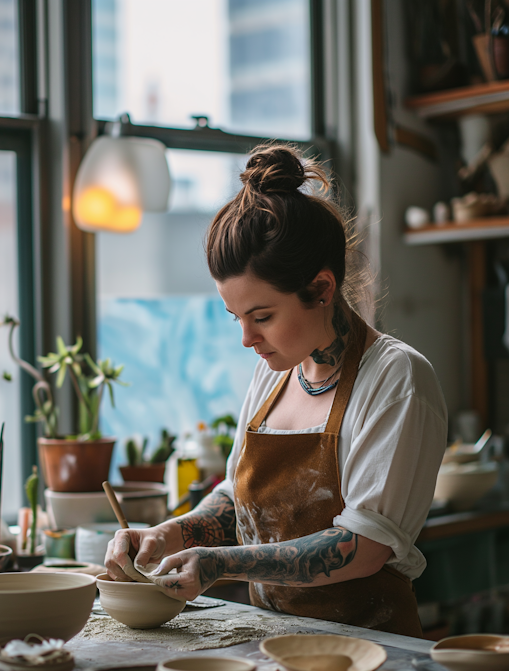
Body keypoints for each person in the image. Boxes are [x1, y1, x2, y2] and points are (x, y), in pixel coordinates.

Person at [105, 145, 447, 637]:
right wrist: (171, 533)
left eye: (262, 316)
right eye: (236, 317)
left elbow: (363, 547)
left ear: (322, 289)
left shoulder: (396, 380)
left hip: (370, 650)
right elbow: (239, 501)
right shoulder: (276, 370)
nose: (246, 338)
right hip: (272, 637)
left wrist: (219, 563)